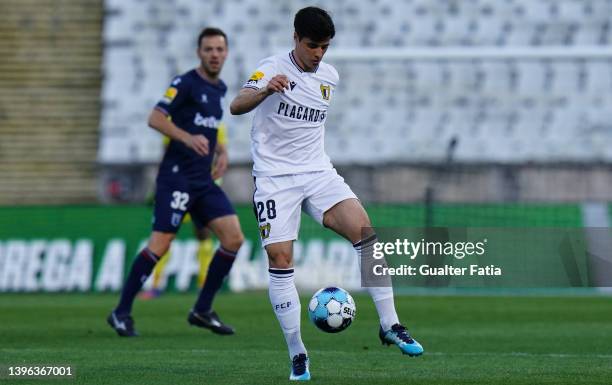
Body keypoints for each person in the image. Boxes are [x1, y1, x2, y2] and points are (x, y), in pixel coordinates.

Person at [230, 7, 423, 381]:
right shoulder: (271, 68)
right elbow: (237, 105)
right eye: (312, 45)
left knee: (365, 232)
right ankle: (297, 353)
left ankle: (390, 324)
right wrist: (265, 90)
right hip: (274, 179)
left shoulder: (330, 77)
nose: (319, 53)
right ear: (296, 39)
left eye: (325, 47)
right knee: (281, 259)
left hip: (318, 173)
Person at [107, 27, 244, 337]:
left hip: (204, 180)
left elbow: (210, 126)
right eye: (208, 49)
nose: (214, 54)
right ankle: (121, 312)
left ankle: (202, 310)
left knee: (233, 239)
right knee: (161, 243)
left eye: (219, 49)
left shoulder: (220, 88)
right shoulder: (185, 83)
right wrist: (185, 137)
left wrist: (221, 150)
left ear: (226, 53)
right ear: (199, 52)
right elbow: (155, 118)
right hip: (176, 178)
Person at [140, 122, 230, 300]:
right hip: (178, 185)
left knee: (202, 233)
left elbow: (221, 155)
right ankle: (156, 285)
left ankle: (204, 283)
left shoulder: (216, 124)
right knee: (165, 234)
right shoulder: (175, 123)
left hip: (204, 185)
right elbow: (167, 155)